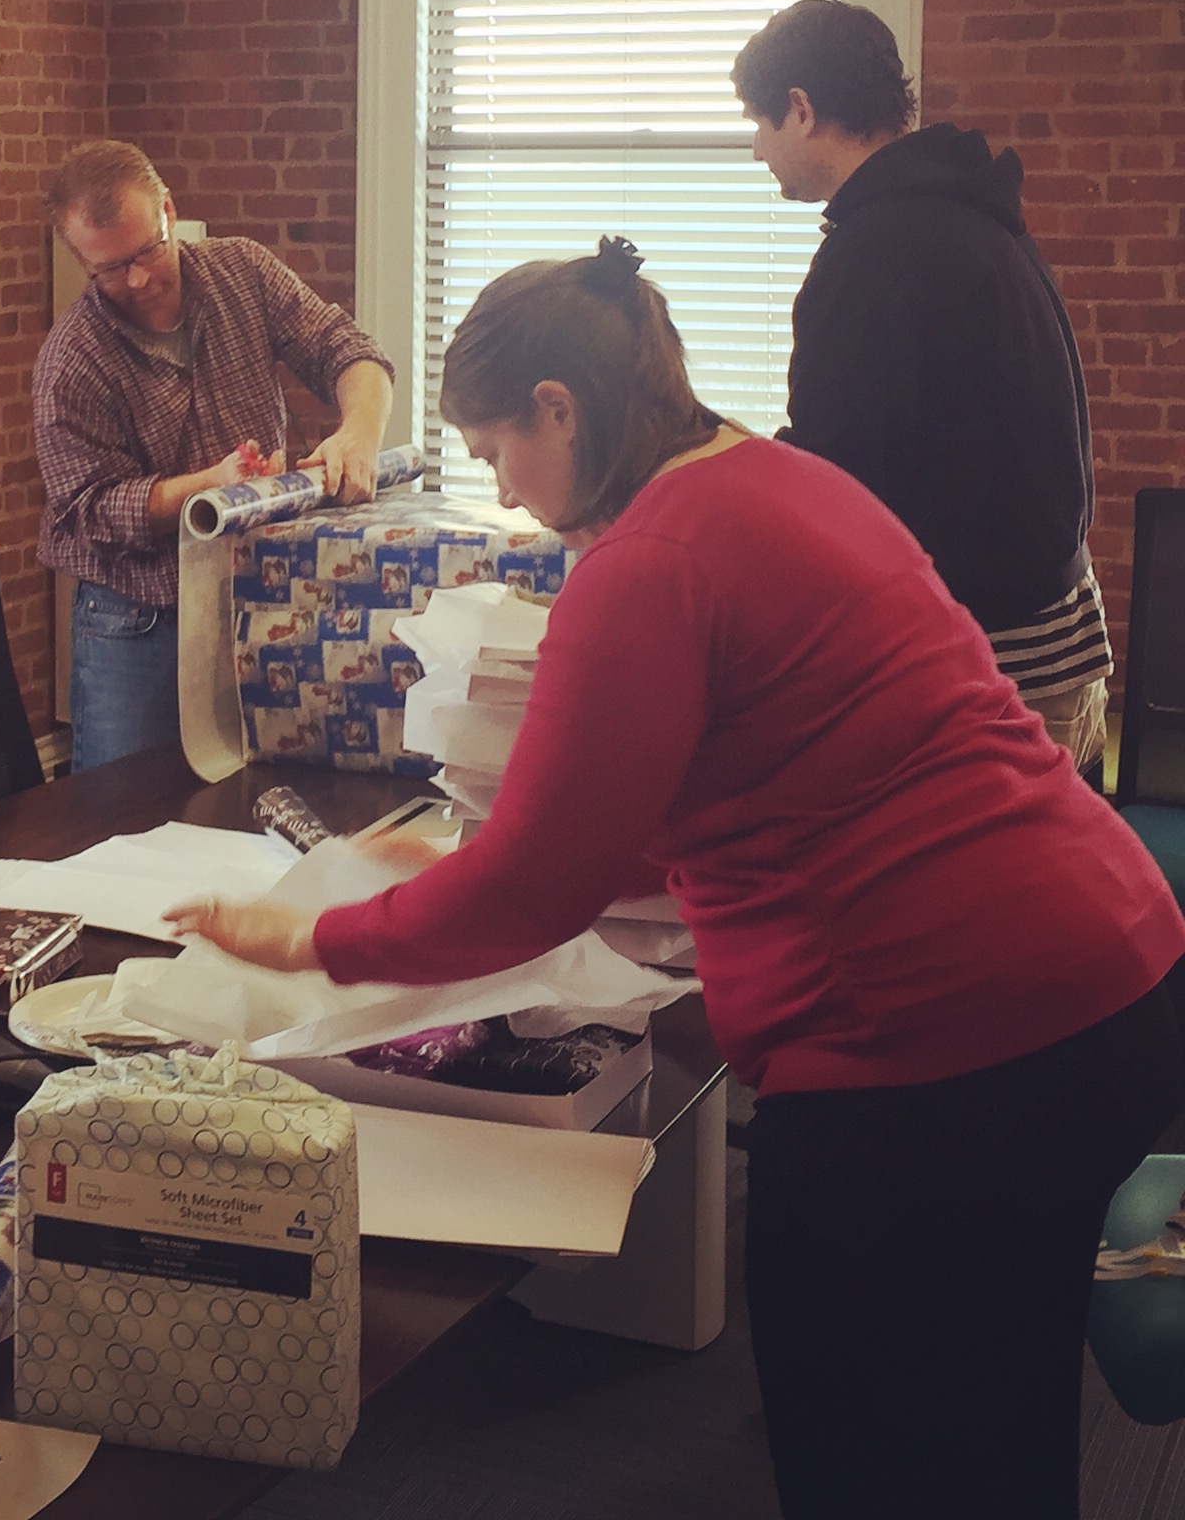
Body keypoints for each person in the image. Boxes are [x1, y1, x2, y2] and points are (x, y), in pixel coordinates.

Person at [169, 241, 1185, 1520]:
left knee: (875, 1452)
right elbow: (733, 775)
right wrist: (470, 851)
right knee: (996, 1419)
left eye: (496, 450)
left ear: (561, 406)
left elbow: (534, 895)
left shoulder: (645, 565)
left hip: (944, 1045)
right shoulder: (784, 477)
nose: (504, 485)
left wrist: (316, 938)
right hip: (1101, 976)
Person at [734, 0, 1111, 769]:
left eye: (760, 122)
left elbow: (844, 481)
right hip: (1060, 633)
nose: (755, 150)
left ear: (801, 110)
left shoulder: (875, 251)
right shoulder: (969, 213)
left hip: (991, 659)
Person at [33, 140, 394, 771]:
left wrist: (358, 435)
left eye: (146, 251)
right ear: (79, 259)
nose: (137, 279)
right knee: (126, 821)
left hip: (256, 594)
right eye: (110, 270)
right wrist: (213, 489)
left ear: (168, 210)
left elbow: (348, 350)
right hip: (139, 624)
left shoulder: (242, 272)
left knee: (252, 792)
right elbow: (86, 511)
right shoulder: (72, 361)